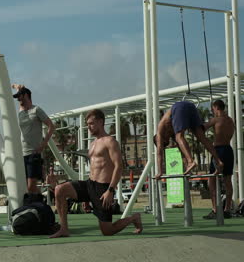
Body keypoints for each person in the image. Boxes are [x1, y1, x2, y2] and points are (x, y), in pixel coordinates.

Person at [50, 109, 142, 238]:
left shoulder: (110, 141)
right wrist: (85, 196)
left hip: (103, 189)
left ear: (100, 122)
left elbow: (119, 167)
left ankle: (134, 218)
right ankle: (64, 229)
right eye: (87, 124)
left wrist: (110, 190)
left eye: (91, 124)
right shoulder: (93, 144)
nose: (89, 127)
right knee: (60, 190)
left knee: (107, 231)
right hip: (89, 184)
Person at [154, 101, 224, 179]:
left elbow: (159, 153)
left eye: (166, 141)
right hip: (191, 106)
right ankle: (218, 161)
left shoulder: (159, 132)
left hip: (178, 107)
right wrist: (188, 169)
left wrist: (159, 172)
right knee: (202, 137)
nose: (168, 138)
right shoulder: (172, 133)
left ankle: (191, 161)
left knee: (179, 137)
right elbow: (182, 151)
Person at [12, 84, 55, 194]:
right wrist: (16, 87)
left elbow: (51, 126)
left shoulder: (36, 110)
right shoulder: (21, 111)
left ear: (26, 95)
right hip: (22, 154)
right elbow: (21, 91)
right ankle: (39, 205)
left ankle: (41, 204)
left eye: (20, 97)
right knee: (26, 187)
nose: (18, 100)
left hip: (34, 153)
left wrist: (43, 145)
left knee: (31, 186)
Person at [203, 100, 235, 219]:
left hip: (218, 151)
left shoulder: (215, 120)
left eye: (213, 108)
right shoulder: (230, 120)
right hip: (228, 150)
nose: (212, 110)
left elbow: (201, 128)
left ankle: (215, 210)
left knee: (211, 180)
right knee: (228, 180)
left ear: (216, 107)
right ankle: (227, 210)